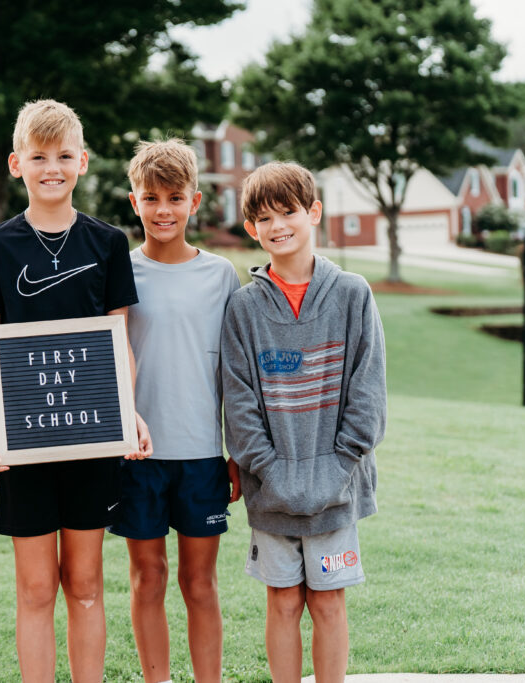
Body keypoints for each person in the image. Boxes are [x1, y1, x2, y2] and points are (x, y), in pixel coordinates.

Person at [0, 99, 153, 683]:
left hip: (92, 439)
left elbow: (120, 340)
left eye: (64, 156)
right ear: (16, 163)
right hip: (24, 442)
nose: (53, 167)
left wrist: (129, 411)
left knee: (86, 582)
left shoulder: (108, 243)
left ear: (83, 162)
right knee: (35, 587)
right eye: (40, 156)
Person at [221, 161, 386, 683]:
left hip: (337, 492)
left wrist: (334, 469)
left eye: (288, 212)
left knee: (329, 604)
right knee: (284, 603)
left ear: (313, 212)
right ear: (251, 228)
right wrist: (270, 469)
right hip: (270, 492)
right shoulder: (243, 309)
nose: (277, 226)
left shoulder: (352, 294)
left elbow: (368, 396)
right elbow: (239, 402)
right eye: (264, 218)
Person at [110, 139, 242, 683]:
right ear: (134, 202)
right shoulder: (118, 272)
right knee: (147, 577)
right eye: (151, 197)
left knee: (200, 582)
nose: (163, 209)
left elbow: (234, 376)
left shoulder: (222, 276)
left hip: (202, 455)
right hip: (136, 456)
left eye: (174, 197)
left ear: (195, 201)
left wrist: (236, 452)